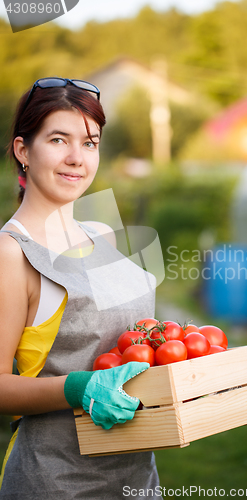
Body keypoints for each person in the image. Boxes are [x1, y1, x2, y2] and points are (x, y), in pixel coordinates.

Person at [0, 78, 160, 499]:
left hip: (137, 476)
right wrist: (79, 387)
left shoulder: (101, 231)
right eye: (58, 139)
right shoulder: (11, 253)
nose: (76, 158)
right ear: (23, 151)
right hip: (54, 479)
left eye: (90, 143)